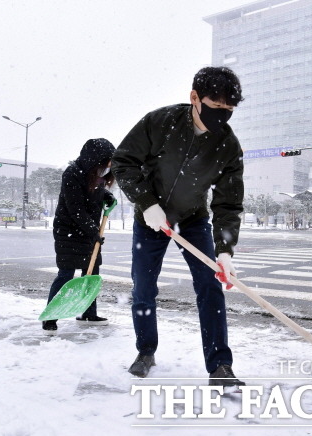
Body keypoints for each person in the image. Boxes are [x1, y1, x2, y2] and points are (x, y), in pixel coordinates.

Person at [112, 66, 245, 387]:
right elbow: (123, 162)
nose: (222, 117)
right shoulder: (160, 123)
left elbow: (227, 203)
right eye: (216, 107)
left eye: (229, 110)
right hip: (151, 219)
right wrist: (147, 203)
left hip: (193, 219)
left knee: (210, 286)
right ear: (195, 98)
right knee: (143, 288)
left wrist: (225, 252)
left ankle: (220, 366)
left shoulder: (227, 145)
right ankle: (145, 351)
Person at [42, 138, 117, 335]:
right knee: (66, 275)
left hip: (89, 231)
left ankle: (88, 314)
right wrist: (94, 231)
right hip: (69, 232)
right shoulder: (72, 174)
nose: (107, 168)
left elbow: (95, 194)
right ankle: (51, 316)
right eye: (106, 162)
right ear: (95, 159)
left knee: (91, 274)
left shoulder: (97, 173)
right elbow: (76, 209)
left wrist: (105, 195)